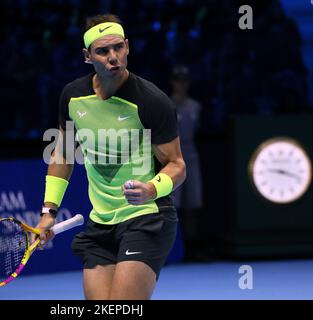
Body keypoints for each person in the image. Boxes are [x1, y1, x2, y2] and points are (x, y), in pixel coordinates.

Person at [33, 14, 186, 300]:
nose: (113, 57)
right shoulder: (73, 96)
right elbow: (63, 155)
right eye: (103, 51)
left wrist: (152, 188)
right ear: (87, 56)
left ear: (127, 46)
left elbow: (177, 165)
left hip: (146, 218)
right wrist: (47, 213)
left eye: (118, 47)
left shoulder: (152, 101)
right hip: (100, 224)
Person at [168, 65, 205, 261]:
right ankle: (172, 250)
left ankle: (192, 249)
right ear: (172, 82)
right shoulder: (166, 104)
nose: (181, 85)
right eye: (177, 80)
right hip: (172, 155)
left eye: (184, 81)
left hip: (191, 155)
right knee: (173, 206)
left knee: (193, 205)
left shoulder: (195, 106)